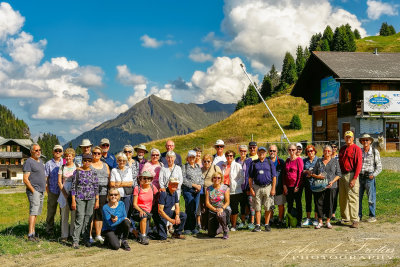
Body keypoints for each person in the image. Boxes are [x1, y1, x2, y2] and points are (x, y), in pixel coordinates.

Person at [71, 154, 99, 249]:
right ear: (82, 161)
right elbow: (73, 187)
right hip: (80, 198)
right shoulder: (77, 172)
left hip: (91, 198)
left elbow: (96, 187)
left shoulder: (93, 172)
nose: (87, 162)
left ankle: (86, 239)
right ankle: (75, 240)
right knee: (79, 218)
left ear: (91, 162)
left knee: (88, 219)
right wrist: (73, 201)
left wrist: (97, 200)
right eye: (85, 160)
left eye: (89, 160)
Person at [310, 145, 341, 229]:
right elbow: (312, 173)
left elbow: (339, 174)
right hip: (320, 186)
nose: (327, 152)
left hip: (331, 186)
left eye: (329, 151)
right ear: (323, 151)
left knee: (329, 203)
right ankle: (320, 221)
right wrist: (318, 176)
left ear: (331, 152)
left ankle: (328, 221)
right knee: (319, 203)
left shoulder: (335, 161)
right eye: (325, 151)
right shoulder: (319, 161)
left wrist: (333, 181)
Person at [248, 146, 277, 232]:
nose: (261, 154)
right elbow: (250, 178)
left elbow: (274, 177)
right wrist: (251, 188)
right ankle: (258, 225)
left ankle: (267, 224)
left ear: (266, 153)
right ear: (257, 153)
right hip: (257, 187)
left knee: (267, 207)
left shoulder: (269, 162)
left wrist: (273, 188)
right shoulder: (253, 163)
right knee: (257, 207)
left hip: (268, 187)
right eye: (260, 152)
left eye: (263, 152)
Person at [338, 131, 362, 228]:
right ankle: (345, 218)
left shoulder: (357, 149)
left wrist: (355, 178)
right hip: (342, 175)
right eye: (346, 137)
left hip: (351, 174)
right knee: (343, 198)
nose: (348, 138)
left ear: (353, 138)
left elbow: (359, 164)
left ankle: (354, 219)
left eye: (350, 137)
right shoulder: (342, 148)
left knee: (352, 197)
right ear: (344, 138)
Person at [23, 143, 46, 242]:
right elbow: (25, 179)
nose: (38, 152)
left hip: (41, 191)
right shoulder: (29, 162)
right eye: (36, 150)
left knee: (36, 212)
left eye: (39, 150)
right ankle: (30, 235)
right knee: (33, 212)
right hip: (35, 191)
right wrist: (33, 191)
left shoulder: (40, 161)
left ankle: (33, 232)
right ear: (31, 151)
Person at [218, 150, 244, 231]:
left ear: (233, 157)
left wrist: (236, 184)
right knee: (225, 207)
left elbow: (242, 178)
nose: (229, 157)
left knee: (234, 207)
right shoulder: (223, 166)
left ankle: (234, 225)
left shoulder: (238, 165)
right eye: (228, 156)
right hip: (225, 189)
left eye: (231, 156)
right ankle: (226, 224)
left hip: (234, 190)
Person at [359, 134, 382, 223]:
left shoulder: (375, 152)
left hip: (369, 177)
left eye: (367, 140)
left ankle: (372, 216)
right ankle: (358, 216)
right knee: (358, 197)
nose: (365, 142)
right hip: (360, 177)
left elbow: (379, 167)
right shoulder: (359, 151)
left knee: (371, 198)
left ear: (370, 141)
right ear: (361, 142)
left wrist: (374, 175)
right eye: (363, 140)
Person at [90, 146, 110, 244]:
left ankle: (98, 234)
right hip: (91, 192)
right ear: (92, 154)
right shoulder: (89, 164)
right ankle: (89, 235)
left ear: (101, 154)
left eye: (98, 153)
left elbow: (109, 178)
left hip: (103, 192)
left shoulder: (105, 165)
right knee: (91, 214)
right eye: (94, 153)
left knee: (100, 214)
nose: (96, 155)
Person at [132, 171, 158, 245]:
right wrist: (140, 210)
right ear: (140, 179)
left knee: (146, 217)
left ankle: (137, 233)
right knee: (144, 216)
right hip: (138, 210)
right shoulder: (137, 188)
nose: (147, 180)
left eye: (149, 178)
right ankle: (143, 237)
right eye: (144, 178)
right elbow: (134, 204)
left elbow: (158, 196)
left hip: (148, 212)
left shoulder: (153, 187)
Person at [58, 148, 77, 243]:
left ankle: (72, 234)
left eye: (70, 156)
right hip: (64, 192)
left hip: (74, 193)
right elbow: (59, 182)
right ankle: (64, 235)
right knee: (64, 215)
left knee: (74, 215)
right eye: (66, 156)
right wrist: (65, 194)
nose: (68, 157)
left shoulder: (77, 167)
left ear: (73, 157)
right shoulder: (62, 167)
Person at [182, 150, 203, 234]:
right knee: (189, 208)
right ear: (187, 158)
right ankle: (187, 227)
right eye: (190, 157)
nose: (192, 159)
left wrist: (200, 186)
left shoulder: (198, 166)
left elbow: (201, 178)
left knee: (195, 208)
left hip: (197, 191)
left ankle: (193, 227)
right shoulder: (184, 167)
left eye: (193, 157)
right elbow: (183, 179)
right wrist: (194, 185)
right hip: (188, 191)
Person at [283, 143, 304, 228]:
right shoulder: (287, 160)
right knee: (290, 204)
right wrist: (284, 185)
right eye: (290, 150)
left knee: (298, 203)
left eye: (293, 150)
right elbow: (284, 174)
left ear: (296, 150)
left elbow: (300, 174)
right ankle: (289, 221)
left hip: (296, 186)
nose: (291, 151)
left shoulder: (299, 160)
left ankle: (299, 221)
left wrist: (297, 186)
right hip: (288, 186)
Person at [44, 144, 63, 235]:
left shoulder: (65, 162)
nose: (58, 152)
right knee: (51, 211)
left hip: (63, 191)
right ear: (53, 152)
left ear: (62, 152)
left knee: (63, 212)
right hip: (53, 190)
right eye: (56, 151)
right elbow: (46, 178)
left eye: (59, 151)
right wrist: (47, 189)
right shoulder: (48, 164)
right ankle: (49, 230)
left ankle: (63, 230)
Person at [109, 153, 135, 221]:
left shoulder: (129, 170)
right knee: (117, 213)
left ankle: (125, 229)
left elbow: (131, 183)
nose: (122, 162)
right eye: (120, 160)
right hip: (117, 196)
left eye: (124, 160)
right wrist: (125, 183)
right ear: (117, 161)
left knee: (125, 213)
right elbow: (112, 184)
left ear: (126, 161)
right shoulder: (114, 170)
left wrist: (120, 184)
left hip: (127, 195)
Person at [199, 154, 221, 230]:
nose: (206, 163)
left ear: (211, 161)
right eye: (204, 161)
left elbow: (221, 178)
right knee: (204, 209)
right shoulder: (201, 169)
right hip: (203, 192)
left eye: (208, 161)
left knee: (212, 208)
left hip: (213, 192)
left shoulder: (215, 168)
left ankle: (213, 226)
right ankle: (204, 226)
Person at [205, 172, 230, 239]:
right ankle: (220, 226)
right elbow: (207, 203)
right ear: (212, 179)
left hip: (223, 209)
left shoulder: (225, 188)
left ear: (221, 179)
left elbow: (227, 202)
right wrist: (215, 209)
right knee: (211, 234)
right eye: (215, 177)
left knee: (220, 215)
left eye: (219, 178)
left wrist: (221, 209)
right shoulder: (208, 189)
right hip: (213, 210)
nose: (217, 179)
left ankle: (225, 230)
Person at [235, 145, 254, 230]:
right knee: (242, 205)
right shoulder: (236, 160)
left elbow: (251, 175)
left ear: (247, 152)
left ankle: (252, 222)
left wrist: (251, 187)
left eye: (244, 151)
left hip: (248, 187)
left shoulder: (250, 161)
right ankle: (242, 222)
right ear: (239, 151)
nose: (243, 152)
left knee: (251, 204)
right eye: (241, 151)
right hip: (239, 187)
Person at [301, 145, 319, 227]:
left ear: (314, 151)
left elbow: (321, 171)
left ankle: (316, 219)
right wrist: (306, 171)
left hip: (317, 184)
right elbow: (301, 170)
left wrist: (312, 174)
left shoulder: (318, 160)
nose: (310, 152)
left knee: (316, 201)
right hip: (307, 184)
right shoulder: (304, 161)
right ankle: (308, 218)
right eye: (308, 151)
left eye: (311, 151)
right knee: (308, 201)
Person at [268, 145, 286, 227]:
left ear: (277, 152)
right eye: (271, 151)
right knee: (269, 204)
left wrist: (284, 186)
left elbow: (284, 175)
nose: (272, 152)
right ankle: (271, 219)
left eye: (274, 151)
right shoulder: (266, 161)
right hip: (268, 187)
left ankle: (280, 219)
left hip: (279, 186)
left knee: (280, 204)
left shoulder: (281, 162)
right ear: (268, 152)